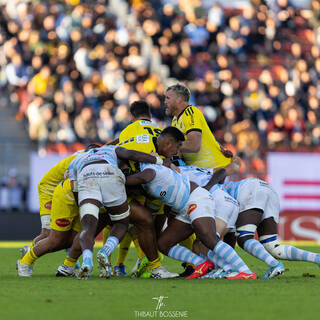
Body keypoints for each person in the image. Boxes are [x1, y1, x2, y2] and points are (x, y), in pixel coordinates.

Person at [125, 127, 256, 280]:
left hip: (196, 198)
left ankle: (245, 271)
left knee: (208, 238)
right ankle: (203, 264)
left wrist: (117, 178)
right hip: (183, 208)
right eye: (178, 146)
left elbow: (133, 177)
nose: (178, 151)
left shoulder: (150, 170)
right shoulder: (158, 164)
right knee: (163, 244)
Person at [68, 145, 169, 280]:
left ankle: (87, 261)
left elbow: (74, 189)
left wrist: (82, 207)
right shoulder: (109, 149)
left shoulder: (76, 159)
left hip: (86, 175)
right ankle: (105, 251)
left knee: (88, 228)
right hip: (109, 172)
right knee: (121, 222)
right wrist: (159, 161)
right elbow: (131, 154)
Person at [223, 178, 320, 278]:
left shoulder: (215, 196)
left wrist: (225, 264)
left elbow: (229, 232)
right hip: (268, 189)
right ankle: (316, 258)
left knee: (244, 238)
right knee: (271, 245)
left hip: (249, 189)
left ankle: (275, 265)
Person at [17, 178, 82, 277]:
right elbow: (68, 175)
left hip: (80, 196)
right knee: (54, 237)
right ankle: (25, 262)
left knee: (77, 237)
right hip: (57, 191)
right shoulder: (75, 162)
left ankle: (70, 265)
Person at [164, 83, 233, 169]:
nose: (165, 102)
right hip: (199, 171)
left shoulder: (190, 112)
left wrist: (168, 145)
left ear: (179, 100)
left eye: (168, 98)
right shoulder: (175, 120)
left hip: (216, 168)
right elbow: (179, 151)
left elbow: (194, 145)